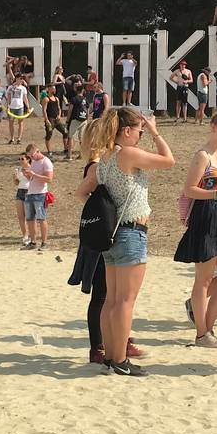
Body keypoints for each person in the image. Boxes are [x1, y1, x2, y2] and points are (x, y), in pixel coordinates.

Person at [94, 107, 174, 376]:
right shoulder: (127, 154)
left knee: (112, 300)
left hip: (112, 233)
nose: (141, 136)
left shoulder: (105, 157)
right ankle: (120, 359)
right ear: (126, 131)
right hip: (131, 230)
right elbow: (169, 160)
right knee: (125, 302)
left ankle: (110, 357)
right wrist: (155, 131)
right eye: (139, 132)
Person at [72, 119, 149, 366]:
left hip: (102, 233)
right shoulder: (101, 164)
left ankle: (112, 345)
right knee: (106, 296)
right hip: (108, 233)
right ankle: (105, 346)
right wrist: (108, 216)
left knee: (108, 296)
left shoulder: (102, 162)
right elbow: (85, 194)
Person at [174, 111, 217, 348]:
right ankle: (202, 333)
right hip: (206, 217)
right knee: (203, 279)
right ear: (213, 127)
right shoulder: (202, 155)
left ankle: (207, 328)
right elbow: (190, 189)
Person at [22, 144, 54, 250]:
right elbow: (33, 178)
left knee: (41, 218)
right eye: (29, 156)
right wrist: (28, 175)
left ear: (37, 151)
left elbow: (49, 179)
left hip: (40, 194)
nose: (31, 158)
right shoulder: (34, 161)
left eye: (32, 155)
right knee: (30, 219)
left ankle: (44, 243)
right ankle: (33, 242)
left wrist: (33, 175)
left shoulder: (46, 162)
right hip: (30, 193)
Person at [41, 83, 69, 159]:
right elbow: (44, 110)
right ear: (49, 89)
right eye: (53, 88)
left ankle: (66, 148)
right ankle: (49, 151)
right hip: (50, 119)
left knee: (65, 132)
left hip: (57, 120)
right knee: (49, 134)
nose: (54, 90)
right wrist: (46, 120)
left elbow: (59, 108)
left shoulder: (56, 98)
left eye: (55, 88)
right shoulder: (46, 99)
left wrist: (59, 115)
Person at [13, 152, 32, 246]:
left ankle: (31, 236)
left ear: (28, 159)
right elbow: (16, 183)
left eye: (22, 159)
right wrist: (15, 177)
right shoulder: (19, 169)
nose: (20, 161)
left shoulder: (31, 168)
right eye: (19, 159)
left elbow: (31, 179)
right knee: (21, 216)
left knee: (29, 216)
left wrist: (25, 173)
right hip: (20, 191)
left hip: (28, 191)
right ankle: (25, 235)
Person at [67, 85, 89, 159]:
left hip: (75, 119)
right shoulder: (85, 99)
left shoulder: (74, 99)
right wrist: (87, 119)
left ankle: (69, 155)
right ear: (82, 90)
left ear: (76, 90)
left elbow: (70, 110)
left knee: (71, 137)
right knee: (81, 138)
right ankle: (81, 154)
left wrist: (67, 120)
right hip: (84, 119)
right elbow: (87, 110)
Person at [7, 75, 30, 144]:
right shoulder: (10, 87)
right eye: (20, 79)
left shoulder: (23, 88)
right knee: (11, 123)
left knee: (20, 123)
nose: (21, 80)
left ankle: (19, 139)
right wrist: (8, 106)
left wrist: (28, 107)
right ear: (16, 79)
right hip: (12, 107)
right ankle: (12, 138)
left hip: (20, 107)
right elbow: (8, 97)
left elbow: (25, 98)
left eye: (22, 79)